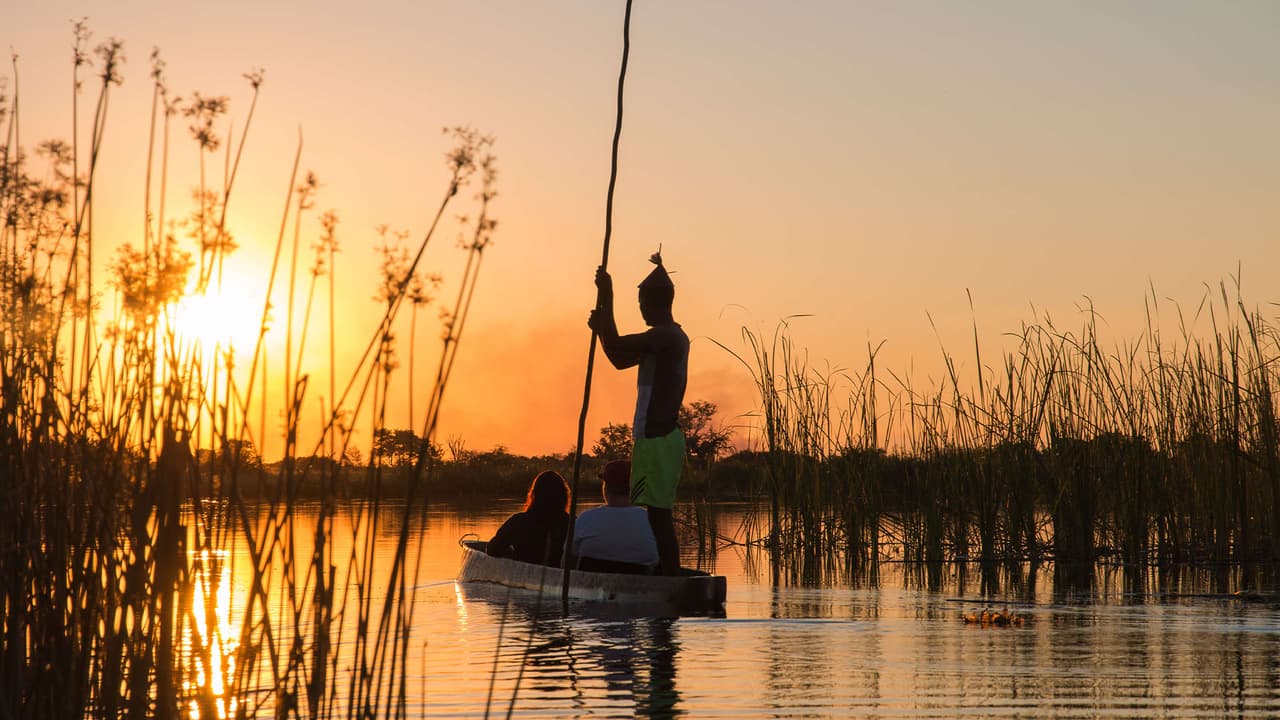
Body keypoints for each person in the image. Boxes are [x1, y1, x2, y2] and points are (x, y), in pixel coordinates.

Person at [587, 250, 689, 575]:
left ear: (656, 302)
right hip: (649, 441)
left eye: (642, 303)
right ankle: (661, 573)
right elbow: (617, 358)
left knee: (658, 516)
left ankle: (669, 579)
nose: (641, 310)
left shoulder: (667, 336)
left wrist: (607, 297)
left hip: (660, 441)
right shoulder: (656, 341)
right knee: (651, 515)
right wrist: (602, 326)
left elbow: (615, 342)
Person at [571, 460, 659, 574]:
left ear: (605, 488)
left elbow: (567, 565)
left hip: (590, 589)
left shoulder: (585, 519)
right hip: (641, 589)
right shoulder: (654, 521)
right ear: (634, 488)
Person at [487, 471, 571, 567]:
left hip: (523, 576)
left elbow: (492, 549)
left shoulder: (518, 521)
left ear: (534, 495)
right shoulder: (572, 523)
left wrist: (509, 551)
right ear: (564, 496)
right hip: (559, 576)